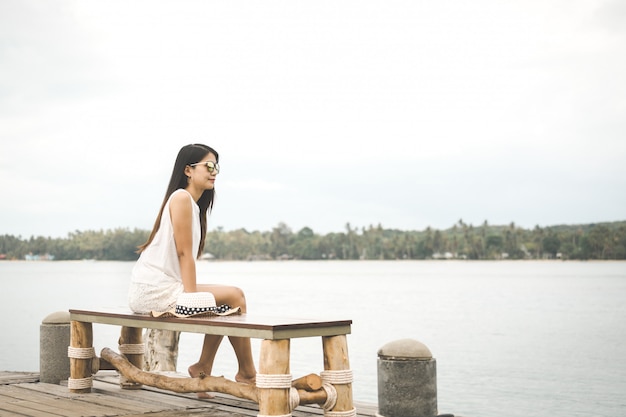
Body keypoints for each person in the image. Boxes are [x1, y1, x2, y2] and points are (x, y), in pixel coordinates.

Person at [128, 143, 256, 398]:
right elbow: (184, 254)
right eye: (208, 166)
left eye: (217, 167)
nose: (214, 171)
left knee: (227, 303)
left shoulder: (193, 205)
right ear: (188, 170)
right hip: (154, 290)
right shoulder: (181, 198)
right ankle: (247, 374)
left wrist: (196, 297)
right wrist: (191, 296)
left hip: (160, 287)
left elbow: (185, 256)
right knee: (235, 297)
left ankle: (204, 367)